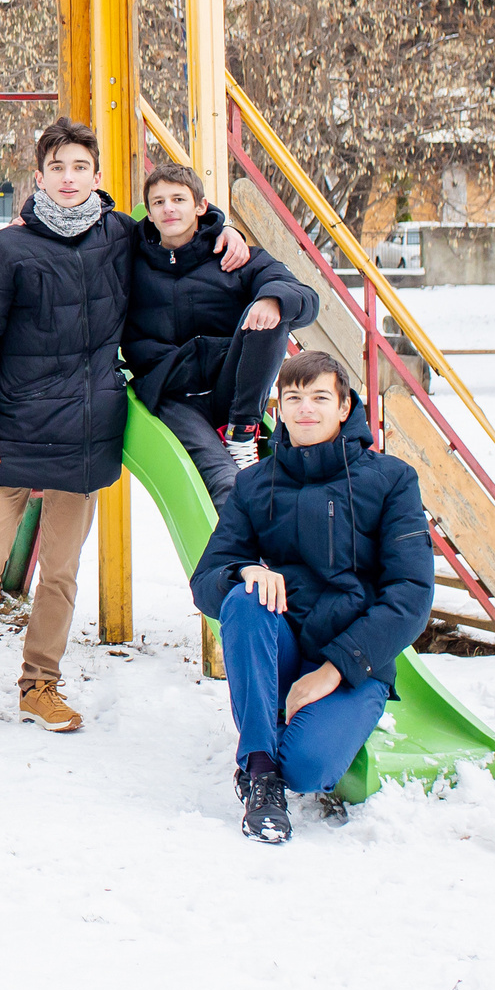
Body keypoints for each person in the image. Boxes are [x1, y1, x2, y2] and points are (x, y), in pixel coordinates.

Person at [0, 117, 250, 734]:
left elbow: (180, 235)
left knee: (62, 571)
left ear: (98, 178)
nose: (68, 179)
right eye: (56, 168)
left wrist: (224, 230)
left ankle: (40, 683)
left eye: (80, 167)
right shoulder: (7, 249)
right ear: (39, 177)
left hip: (85, 427)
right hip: (11, 430)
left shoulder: (123, 235)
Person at [191, 352, 432, 844]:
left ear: (345, 407)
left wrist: (333, 671)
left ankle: (287, 747)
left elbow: (410, 596)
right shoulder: (254, 484)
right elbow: (207, 579)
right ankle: (258, 773)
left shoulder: (392, 480)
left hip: (352, 664)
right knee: (244, 598)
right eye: (293, 398)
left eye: (320, 397)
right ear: (279, 409)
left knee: (306, 769)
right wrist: (245, 569)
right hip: (281, 650)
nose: (305, 409)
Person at [123, 160, 319, 505]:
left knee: (269, 308)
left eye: (179, 199)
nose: (169, 208)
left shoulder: (233, 257)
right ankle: (237, 559)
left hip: (233, 385)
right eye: (158, 202)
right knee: (226, 481)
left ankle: (243, 432)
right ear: (149, 215)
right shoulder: (128, 261)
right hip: (175, 394)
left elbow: (305, 297)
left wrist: (273, 299)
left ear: (200, 206)